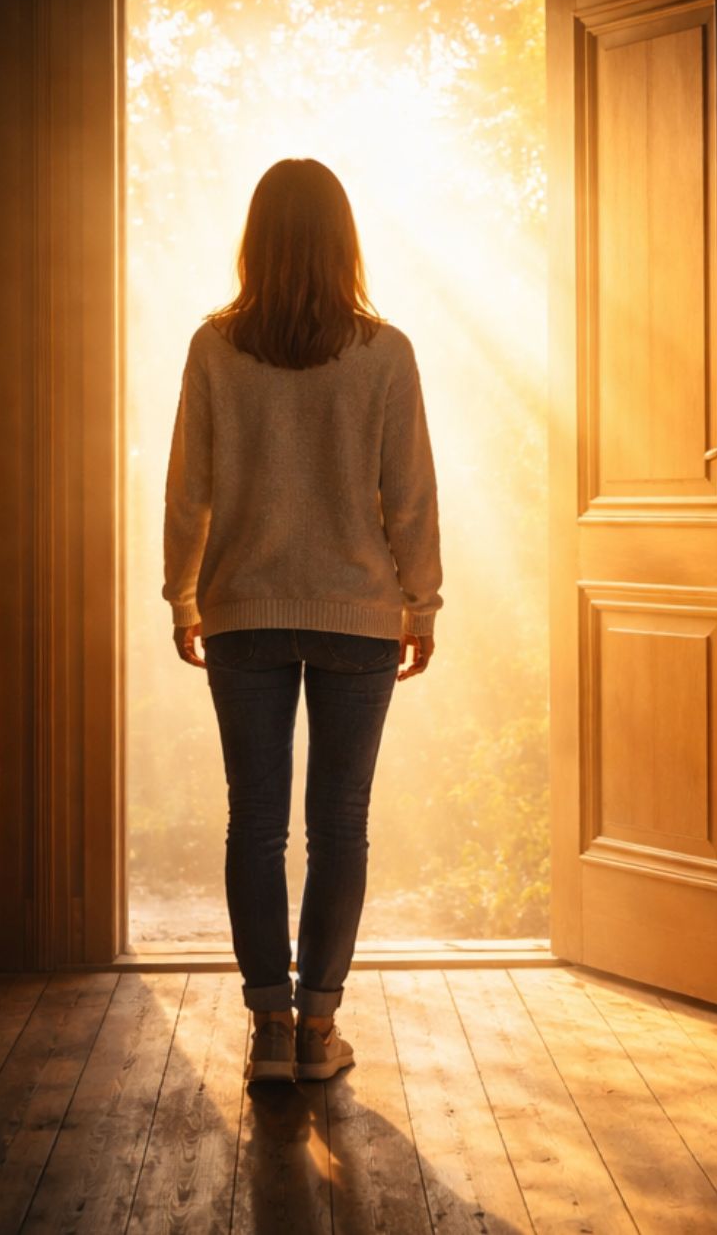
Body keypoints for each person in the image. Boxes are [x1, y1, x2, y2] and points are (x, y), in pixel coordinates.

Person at [163, 158, 442, 1084]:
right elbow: (409, 497)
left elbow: (189, 491)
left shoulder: (215, 348)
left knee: (257, 826)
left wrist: (184, 594)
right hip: (359, 614)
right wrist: (421, 601)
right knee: (340, 826)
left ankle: (268, 1034)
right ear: (343, 242)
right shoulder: (385, 351)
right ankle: (319, 1029)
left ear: (256, 239)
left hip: (242, 610)